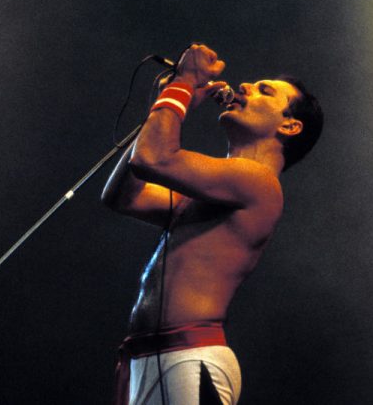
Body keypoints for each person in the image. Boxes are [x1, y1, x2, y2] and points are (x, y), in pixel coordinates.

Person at [101, 44, 323, 405]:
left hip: (188, 357)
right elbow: (122, 197)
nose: (246, 86)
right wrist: (171, 102)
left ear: (289, 125)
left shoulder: (258, 181)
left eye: (265, 90)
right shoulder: (216, 189)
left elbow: (152, 159)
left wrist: (183, 85)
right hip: (151, 358)